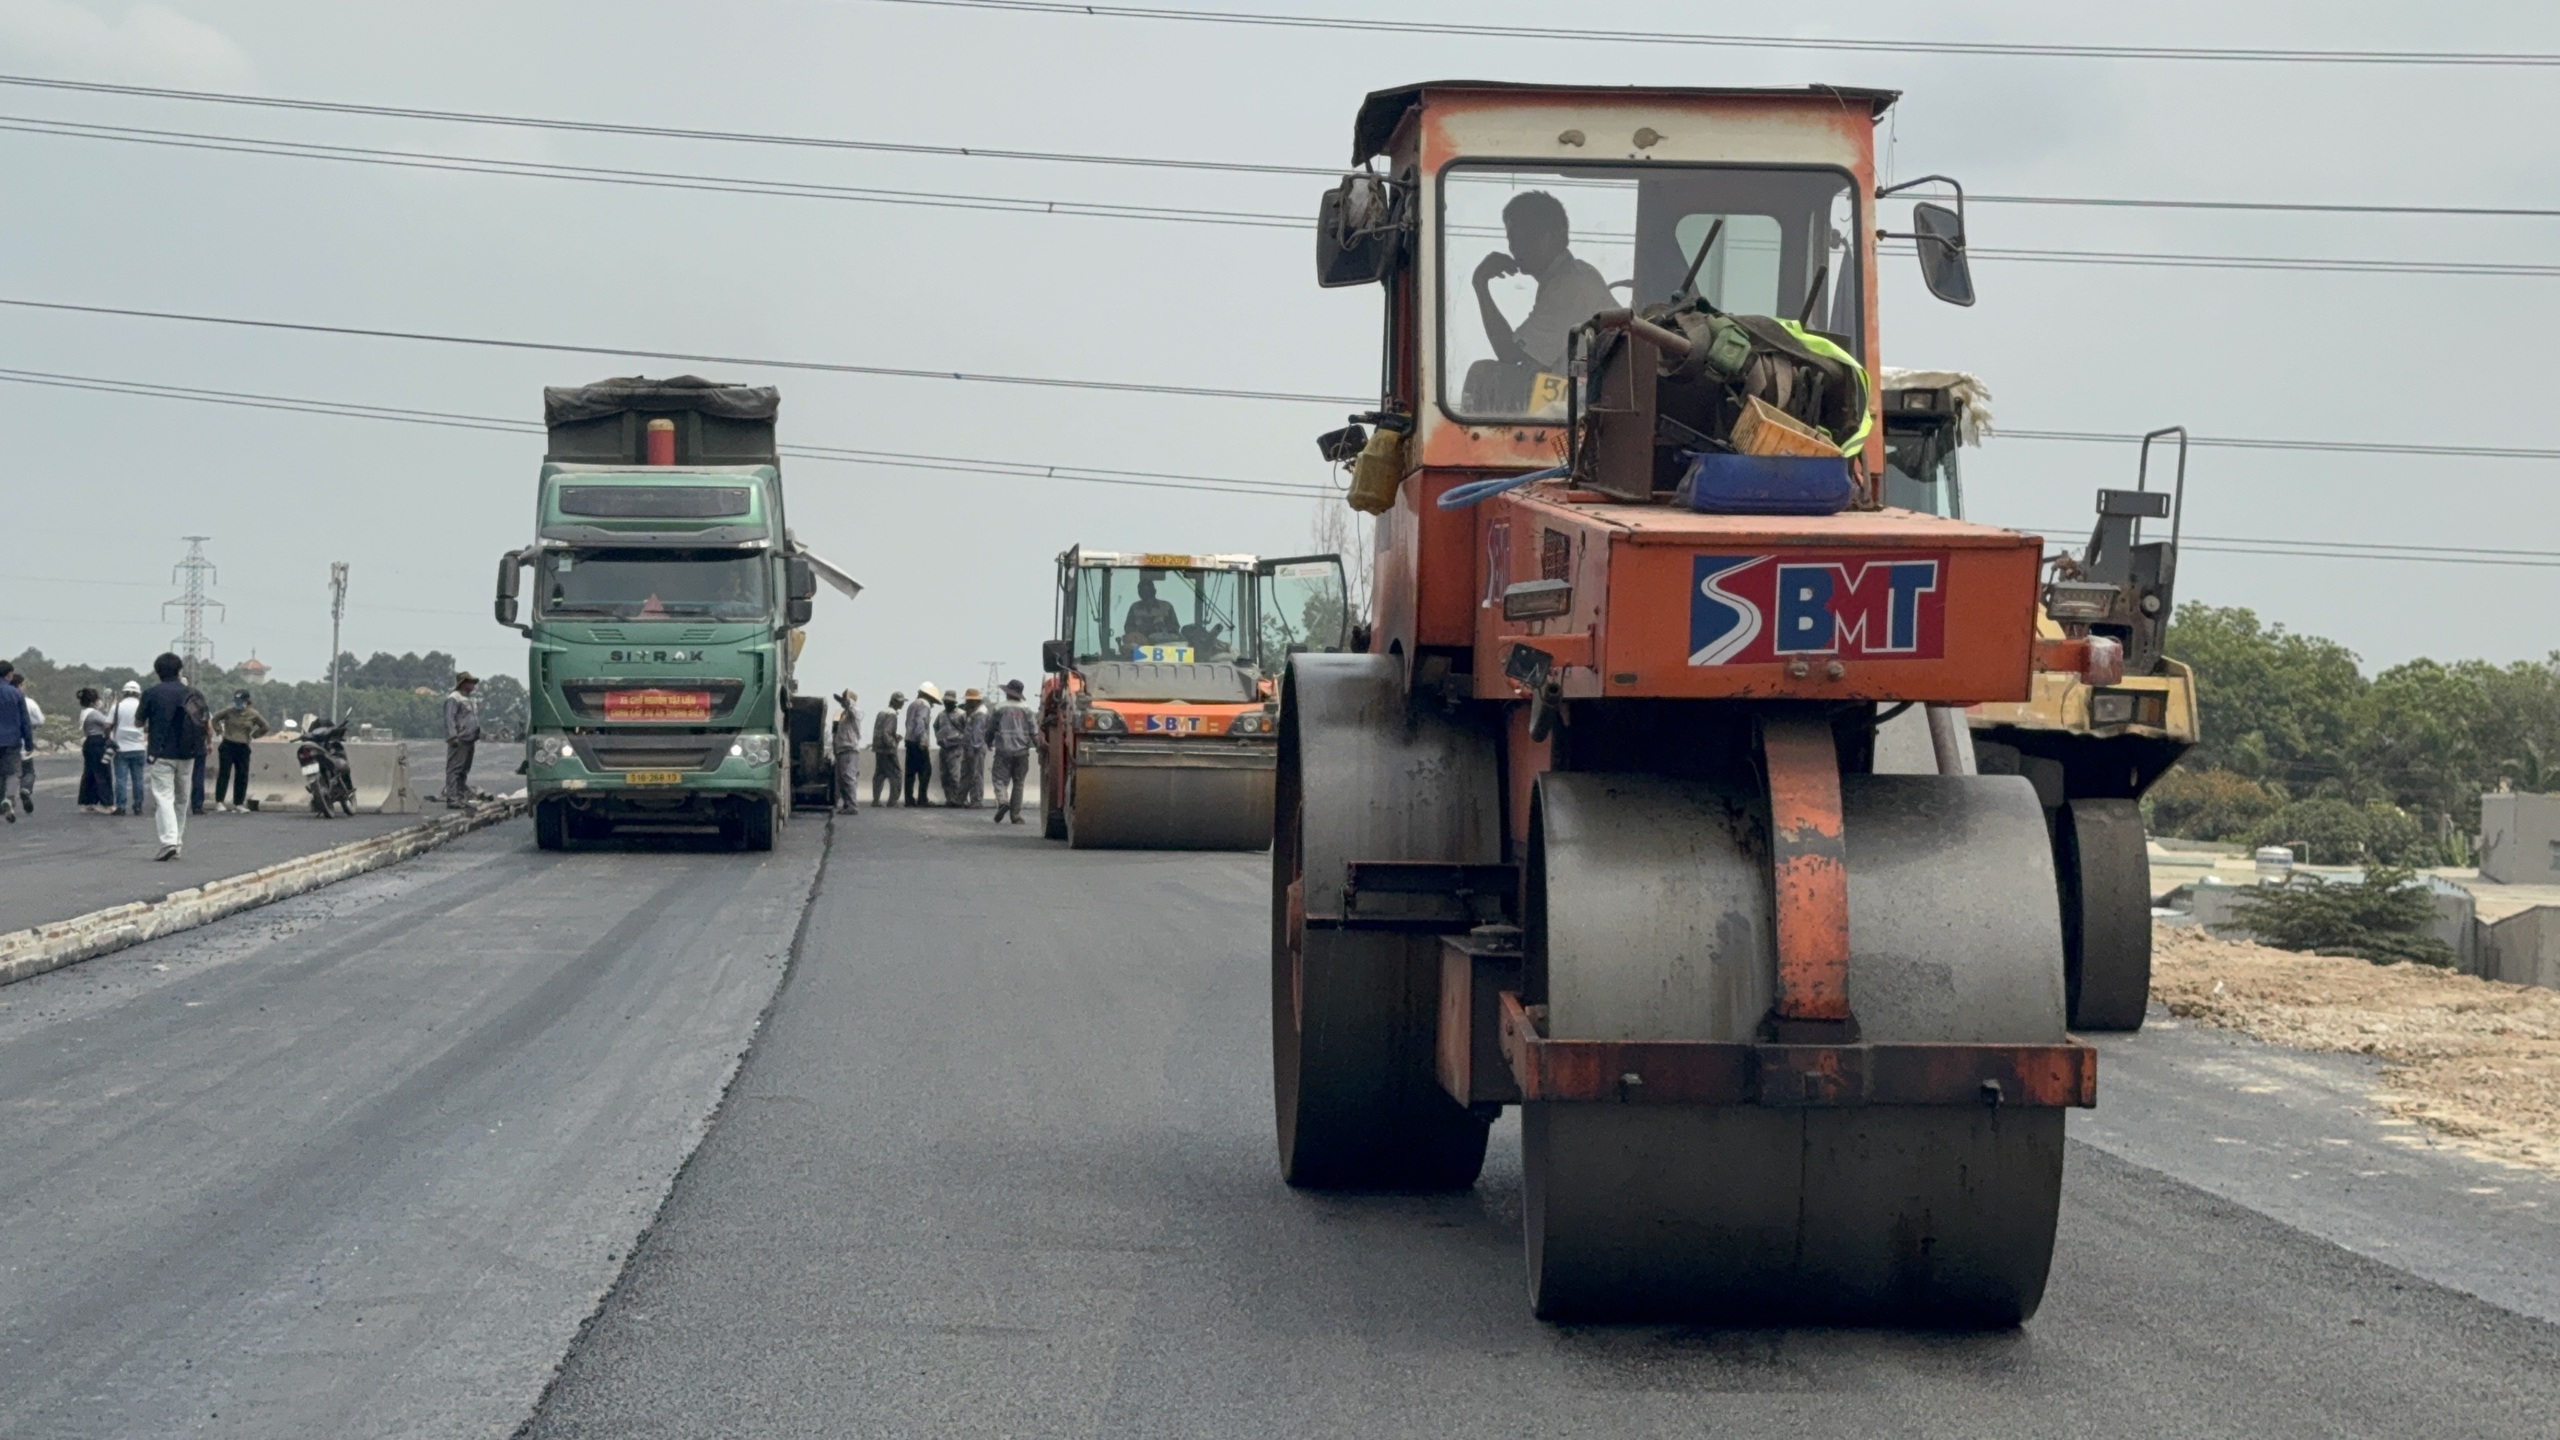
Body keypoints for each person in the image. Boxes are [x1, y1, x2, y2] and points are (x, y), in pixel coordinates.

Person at [1465, 189, 1616, 415]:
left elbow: (1509, 353)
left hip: (1582, 399)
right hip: (1577, 390)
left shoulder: (1570, 286)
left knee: (1483, 374)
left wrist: (1480, 285)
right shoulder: (1569, 277)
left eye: (1521, 237)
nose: (1514, 247)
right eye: (1511, 239)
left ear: (1552, 236)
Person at [135, 652, 206, 860]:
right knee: (182, 799)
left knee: (164, 796)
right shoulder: (193, 693)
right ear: (179, 671)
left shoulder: (151, 693)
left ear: (157, 672)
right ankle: (178, 842)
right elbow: (203, 721)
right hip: (189, 753)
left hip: (161, 752)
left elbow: (139, 722)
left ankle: (169, 841)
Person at [987, 679, 1038, 825]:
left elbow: (991, 728)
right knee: (1019, 783)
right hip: (1022, 752)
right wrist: (1039, 747)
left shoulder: (999, 708)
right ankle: (1015, 815)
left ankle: (1003, 801)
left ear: (1008, 693)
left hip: (1003, 750)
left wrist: (988, 741)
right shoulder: (1027, 709)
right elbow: (1034, 732)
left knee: (999, 779)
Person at [209, 689, 269, 813]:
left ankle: (238, 803)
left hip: (243, 747)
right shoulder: (229, 712)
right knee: (224, 774)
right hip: (228, 745)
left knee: (242, 775)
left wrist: (254, 735)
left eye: (240, 701)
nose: (238, 703)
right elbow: (214, 719)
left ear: (247, 701)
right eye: (236, 701)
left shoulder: (253, 714)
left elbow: (265, 727)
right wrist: (219, 731)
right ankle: (219, 801)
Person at [110, 679, 148, 817]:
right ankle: (138, 807)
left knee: (121, 779)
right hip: (138, 747)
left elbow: (108, 725)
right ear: (138, 694)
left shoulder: (117, 707)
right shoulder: (142, 706)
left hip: (121, 748)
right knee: (138, 779)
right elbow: (147, 726)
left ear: (124, 693)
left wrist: (109, 738)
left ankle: (121, 807)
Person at [442, 672, 481, 806]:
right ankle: (452, 798)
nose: (472, 685)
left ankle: (460, 797)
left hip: (469, 739)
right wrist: (453, 736)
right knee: (454, 769)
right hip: (459, 739)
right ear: (463, 683)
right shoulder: (454, 698)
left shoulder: (469, 699)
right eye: (470, 682)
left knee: (464, 769)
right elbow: (449, 718)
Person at [5, 667, 39, 815]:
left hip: (5, 744)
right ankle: (23, 791)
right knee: (26, 772)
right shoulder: (23, 699)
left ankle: (6, 803)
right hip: (18, 744)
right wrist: (30, 743)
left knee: (5, 774)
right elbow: (32, 721)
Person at [1119, 576, 1183, 651]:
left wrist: (1162, 626)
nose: (1146, 594)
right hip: (1139, 649)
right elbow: (1128, 628)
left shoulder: (1166, 607)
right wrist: (1141, 629)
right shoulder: (1134, 608)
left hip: (1164, 648)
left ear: (1154, 591)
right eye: (1143, 591)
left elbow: (1175, 627)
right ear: (1139, 593)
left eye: (1148, 591)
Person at [0, 662, 29, 825]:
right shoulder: (16, 694)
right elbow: (24, 721)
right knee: (13, 773)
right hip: (12, 740)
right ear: (9, 675)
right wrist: (29, 742)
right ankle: (9, 799)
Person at [77, 687, 113, 813]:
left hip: (89, 743)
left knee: (90, 773)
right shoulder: (93, 713)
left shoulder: (85, 712)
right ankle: (107, 803)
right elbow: (108, 723)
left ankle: (88, 801)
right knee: (103, 772)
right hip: (97, 742)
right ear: (93, 701)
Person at [903, 684, 939, 806]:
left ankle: (909, 799)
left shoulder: (913, 704)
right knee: (925, 771)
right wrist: (922, 741)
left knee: (910, 772)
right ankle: (922, 799)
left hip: (909, 740)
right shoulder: (925, 705)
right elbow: (920, 722)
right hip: (918, 742)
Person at [871, 692, 906, 808]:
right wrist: (893, 743)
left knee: (879, 774)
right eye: (900, 701)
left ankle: (876, 800)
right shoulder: (892, 715)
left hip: (878, 748)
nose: (902, 704)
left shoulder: (881, 712)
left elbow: (879, 731)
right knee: (896, 774)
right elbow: (886, 732)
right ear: (895, 701)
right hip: (887, 749)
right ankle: (892, 801)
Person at [830, 690, 863, 815]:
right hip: (842, 749)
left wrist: (847, 699)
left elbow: (852, 708)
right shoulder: (843, 714)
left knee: (848, 777)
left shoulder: (856, 712)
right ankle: (847, 804)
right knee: (842, 778)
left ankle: (852, 805)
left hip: (850, 748)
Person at [933, 689, 967, 807]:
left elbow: (967, 730)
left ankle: (960, 799)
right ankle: (950, 799)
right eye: (945, 702)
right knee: (945, 775)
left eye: (949, 702)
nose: (947, 704)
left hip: (956, 748)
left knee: (955, 775)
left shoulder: (961, 714)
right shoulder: (941, 715)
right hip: (944, 748)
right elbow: (935, 727)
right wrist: (939, 739)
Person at [959, 689, 990, 808]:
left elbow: (977, 733)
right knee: (967, 773)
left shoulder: (980, 713)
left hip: (976, 748)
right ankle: (961, 799)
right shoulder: (976, 712)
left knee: (976, 774)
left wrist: (973, 748)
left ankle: (976, 800)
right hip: (971, 747)